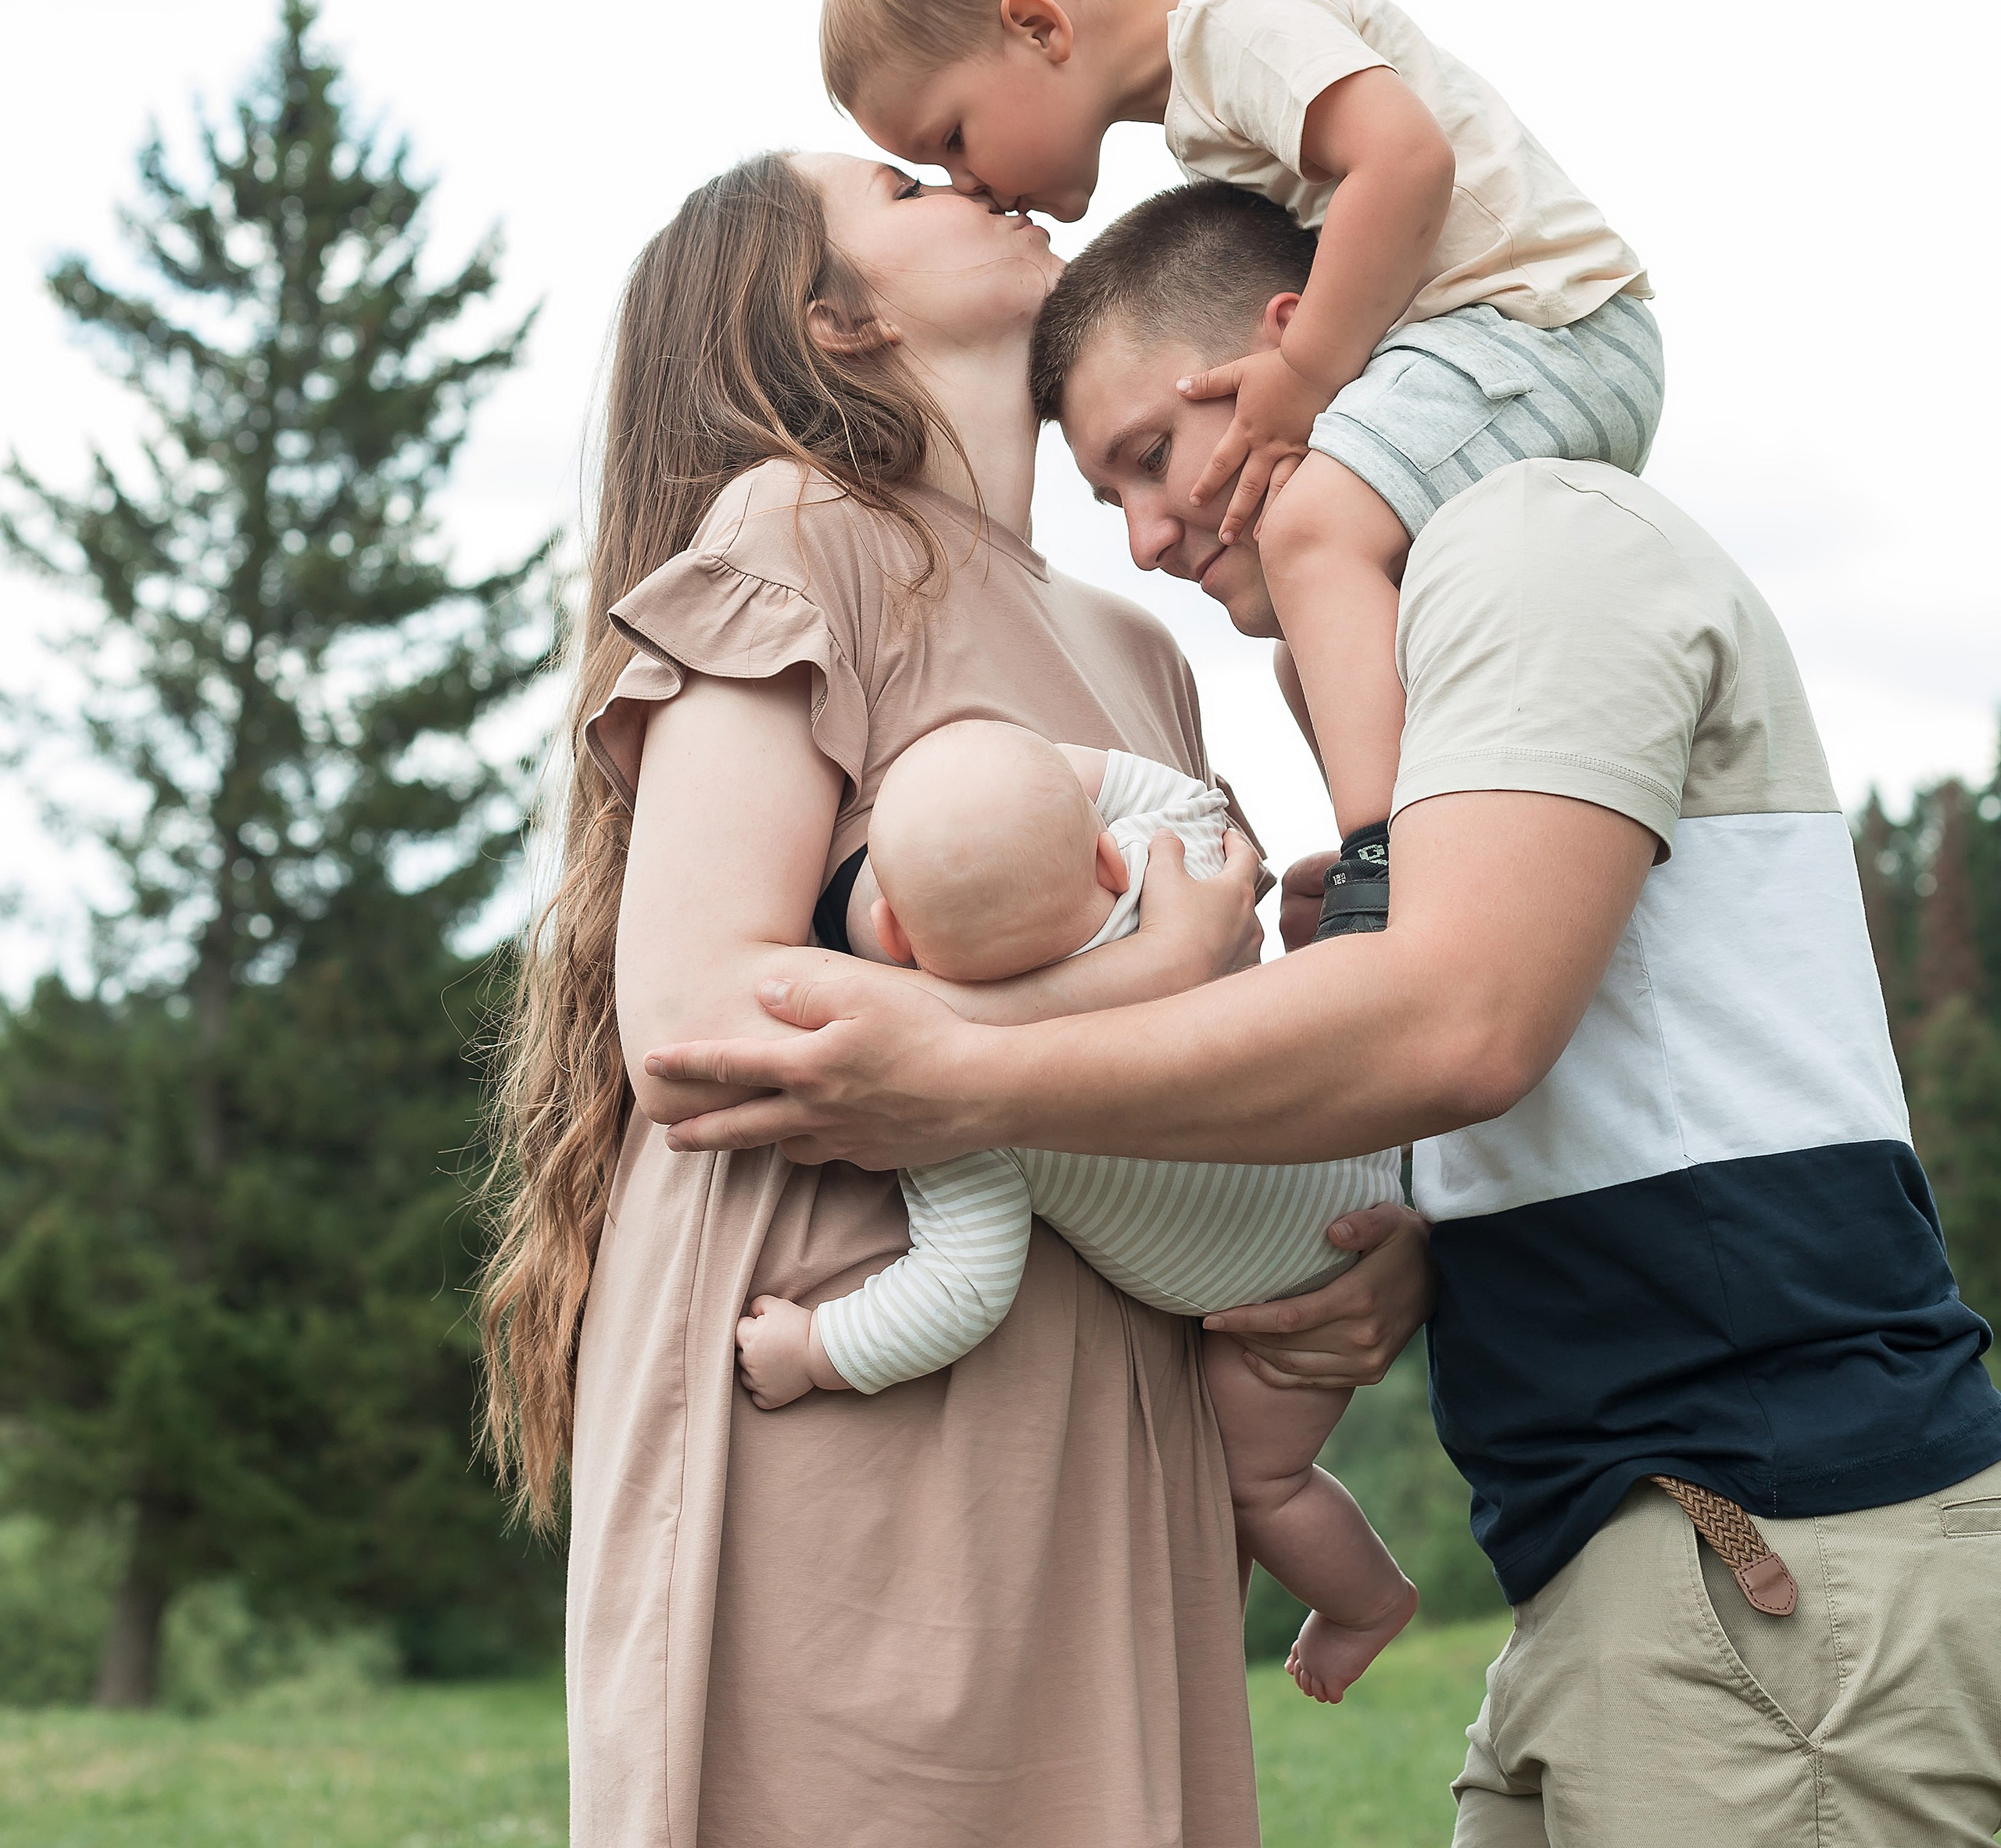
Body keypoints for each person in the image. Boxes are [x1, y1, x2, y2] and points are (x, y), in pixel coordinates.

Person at [650, 183, 2001, 1848]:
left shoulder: (1531, 542)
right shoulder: (1414, 659)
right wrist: (1410, 1224)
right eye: (1105, 490)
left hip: (1768, 1536)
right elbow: (1503, 1061)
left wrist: (965, 1068)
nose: (1142, 529)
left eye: (1149, 453)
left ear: (1283, 353)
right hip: (1640, 1550)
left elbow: (1456, 1027)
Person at [478, 149, 1434, 1848]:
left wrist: (1369, 1252)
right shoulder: (798, 527)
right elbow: (691, 1016)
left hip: (1110, 1375)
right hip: (859, 1351)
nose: (972, 175)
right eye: (903, 182)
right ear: (834, 316)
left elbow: (1208, 1042)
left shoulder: (1138, 646)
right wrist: (1120, 989)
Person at [820, 0, 1663, 882]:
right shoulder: (1203, 113)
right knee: (1305, 653)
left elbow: (1405, 161)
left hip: (1540, 321)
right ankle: (1392, 839)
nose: (970, 184)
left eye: (953, 138)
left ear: (1039, 27)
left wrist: (1304, 374)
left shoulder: (1239, 26)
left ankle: (1389, 864)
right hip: (1484, 345)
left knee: (1310, 529)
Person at [732, 718, 1416, 1707]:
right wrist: (1047, 768)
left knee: (1258, 1480)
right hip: (1360, 1165)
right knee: (1262, 1472)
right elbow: (1190, 797)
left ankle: (1366, 1603)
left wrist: (813, 1349)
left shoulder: (960, 1101)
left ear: (892, 941)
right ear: (1100, 844)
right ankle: (1362, 1608)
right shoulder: (1164, 864)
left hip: (1281, 1295)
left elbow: (959, 1290)